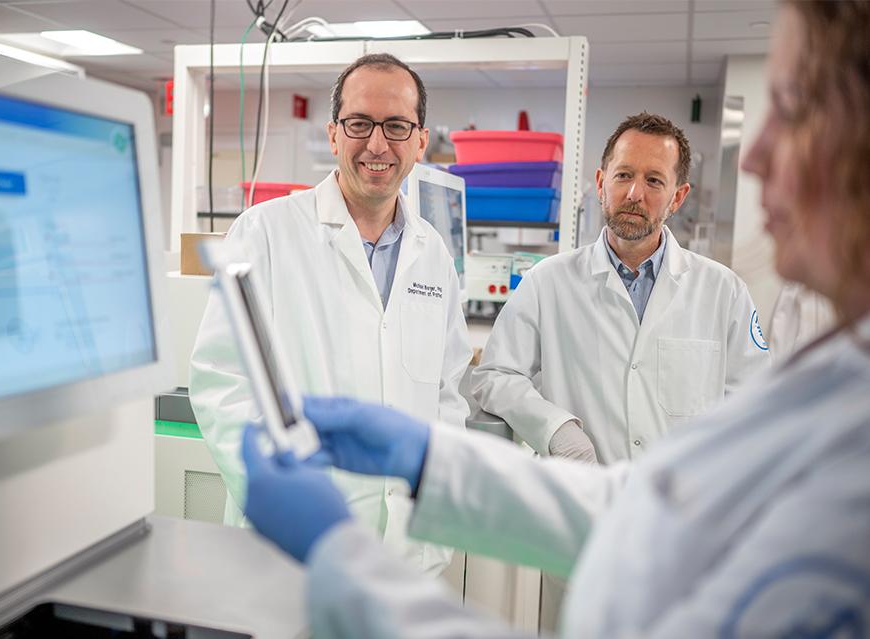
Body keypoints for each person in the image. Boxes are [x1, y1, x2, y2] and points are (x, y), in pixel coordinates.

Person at [238, 1, 870, 636]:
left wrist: (340, 561)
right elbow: (658, 507)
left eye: (791, 108)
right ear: (600, 182)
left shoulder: (778, 355)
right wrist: (433, 461)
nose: (754, 157)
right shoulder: (836, 381)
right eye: (623, 175)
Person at [189, 53, 472, 574]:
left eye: (396, 126)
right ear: (335, 134)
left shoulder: (433, 254)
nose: (377, 144)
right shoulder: (265, 232)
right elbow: (221, 383)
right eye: (360, 123)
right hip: (291, 550)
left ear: (419, 140)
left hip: (407, 551)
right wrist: (285, 493)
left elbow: (447, 394)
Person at [472, 112, 771, 465]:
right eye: (624, 175)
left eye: (654, 181)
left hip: (679, 505)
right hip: (580, 498)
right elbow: (495, 375)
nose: (634, 193)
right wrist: (554, 428)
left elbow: (757, 405)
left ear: (678, 197)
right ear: (601, 183)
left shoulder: (724, 291)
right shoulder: (547, 282)